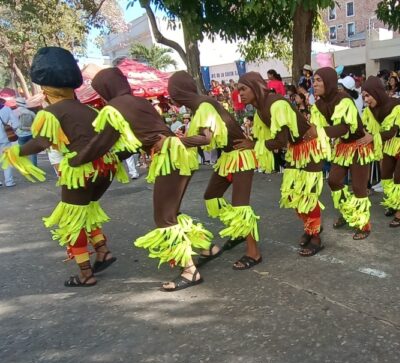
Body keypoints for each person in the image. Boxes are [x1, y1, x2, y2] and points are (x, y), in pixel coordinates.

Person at [68, 68, 216, 290]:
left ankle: (189, 271)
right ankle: (206, 247)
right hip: (181, 156)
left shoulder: (113, 109)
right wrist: (116, 157)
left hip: (168, 158)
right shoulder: (141, 103)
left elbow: (102, 142)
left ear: (105, 89)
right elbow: (136, 143)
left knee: (164, 219)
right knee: (172, 212)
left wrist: (76, 160)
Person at [2, 48, 127, 287]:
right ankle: (102, 251)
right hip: (105, 168)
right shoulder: (90, 109)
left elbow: (41, 142)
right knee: (87, 210)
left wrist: (15, 150)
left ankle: (85, 274)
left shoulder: (51, 113)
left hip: (80, 172)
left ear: (47, 89)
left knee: (72, 218)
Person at [164, 72, 263, 272]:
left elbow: (206, 139)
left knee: (240, 208)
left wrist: (173, 141)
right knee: (211, 196)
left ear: (178, 92)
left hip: (240, 156)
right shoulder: (199, 106)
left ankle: (254, 252)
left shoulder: (204, 105)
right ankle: (238, 231)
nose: (170, 98)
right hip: (228, 157)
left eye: (171, 92)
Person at [237, 72, 326, 257]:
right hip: (295, 150)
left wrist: (252, 145)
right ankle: (310, 228)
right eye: (238, 90)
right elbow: (269, 138)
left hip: (309, 147)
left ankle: (316, 236)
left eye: (243, 89)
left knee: (307, 196)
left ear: (255, 87)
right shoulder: (260, 108)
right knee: (293, 195)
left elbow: (280, 141)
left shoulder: (275, 104)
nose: (240, 94)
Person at [311, 67, 373, 240]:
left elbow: (343, 128)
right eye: (314, 80)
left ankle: (363, 224)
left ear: (328, 82)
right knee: (334, 181)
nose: (314, 84)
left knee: (359, 187)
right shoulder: (318, 105)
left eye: (318, 80)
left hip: (359, 145)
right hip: (343, 146)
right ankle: (348, 213)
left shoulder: (343, 99)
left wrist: (318, 132)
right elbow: (318, 129)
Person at [362, 76, 400, 227]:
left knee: (399, 178)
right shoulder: (369, 110)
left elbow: (392, 132)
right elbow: (367, 129)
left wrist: (372, 138)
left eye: (367, 95)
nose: (366, 100)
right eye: (363, 96)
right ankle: (394, 203)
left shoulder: (396, 105)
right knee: (386, 176)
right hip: (387, 144)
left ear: (377, 92)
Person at [0, 98, 20, 187]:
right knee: (6, 160)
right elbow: (16, 124)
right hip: (5, 138)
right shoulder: (6, 109)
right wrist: (10, 130)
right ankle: (9, 181)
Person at [12, 97, 37, 166]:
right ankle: (34, 166)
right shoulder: (31, 112)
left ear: (17, 104)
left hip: (21, 135)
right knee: (33, 151)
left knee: (22, 152)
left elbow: (13, 125)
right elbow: (36, 123)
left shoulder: (14, 112)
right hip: (31, 134)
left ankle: (26, 166)